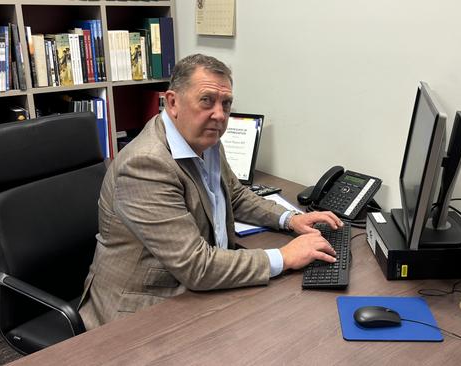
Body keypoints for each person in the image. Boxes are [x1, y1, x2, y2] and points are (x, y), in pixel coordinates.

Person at [78, 54, 343, 329]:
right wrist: (284, 256)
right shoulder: (145, 164)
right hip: (141, 311)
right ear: (172, 103)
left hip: (195, 286)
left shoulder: (206, 140)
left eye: (226, 104)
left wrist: (289, 219)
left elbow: (235, 194)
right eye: (207, 100)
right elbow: (196, 266)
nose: (219, 114)